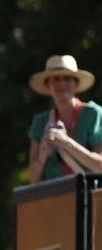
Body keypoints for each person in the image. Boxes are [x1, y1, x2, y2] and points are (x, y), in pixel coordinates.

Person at [28, 54, 102, 182]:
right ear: (48, 85)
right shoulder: (40, 122)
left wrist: (66, 143)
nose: (61, 84)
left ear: (76, 84)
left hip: (89, 192)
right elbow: (32, 178)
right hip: (54, 192)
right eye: (56, 79)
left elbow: (100, 167)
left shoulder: (94, 114)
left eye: (67, 78)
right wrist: (42, 157)